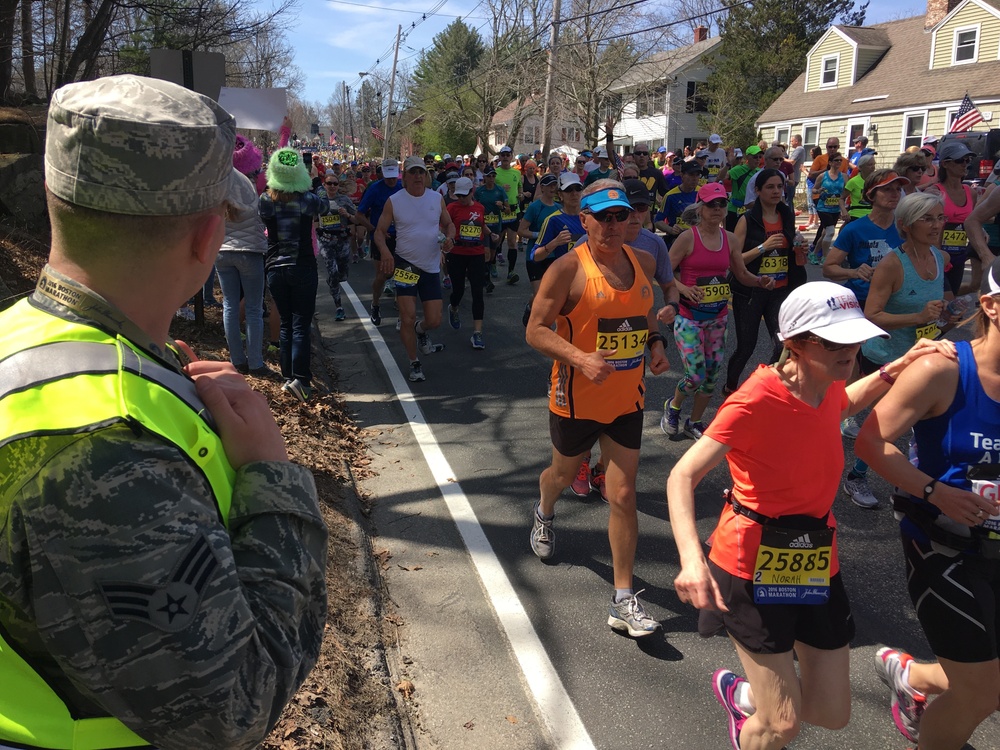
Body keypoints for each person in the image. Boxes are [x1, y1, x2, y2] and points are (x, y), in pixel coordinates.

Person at [0, 74, 327, 749]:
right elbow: (235, 706)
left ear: (53, 198)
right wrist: (273, 478)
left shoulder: (18, 339)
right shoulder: (105, 446)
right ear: (209, 237)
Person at [667, 281, 951, 750]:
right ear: (794, 344)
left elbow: (844, 403)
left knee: (831, 714)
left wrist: (895, 368)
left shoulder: (827, 383)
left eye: (855, 338)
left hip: (815, 556)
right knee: (782, 725)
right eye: (835, 342)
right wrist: (691, 560)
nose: (852, 350)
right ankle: (753, 722)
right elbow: (682, 474)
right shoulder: (753, 401)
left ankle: (746, 696)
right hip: (751, 562)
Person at [855, 256, 1000, 750]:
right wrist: (936, 491)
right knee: (983, 694)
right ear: (991, 306)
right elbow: (871, 443)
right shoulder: (944, 369)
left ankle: (913, 676)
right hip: (945, 546)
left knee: (987, 681)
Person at [526, 180, 669, 637]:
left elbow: (643, 312)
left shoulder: (642, 261)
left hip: (627, 398)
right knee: (563, 476)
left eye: (619, 216)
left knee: (623, 495)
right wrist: (580, 358)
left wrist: (656, 343)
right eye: (601, 217)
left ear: (631, 219)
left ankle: (623, 599)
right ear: (583, 219)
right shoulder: (567, 268)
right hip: (577, 399)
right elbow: (535, 329)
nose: (611, 225)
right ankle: (545, 509)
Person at [847, 192, 949, 512]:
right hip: (886, 356)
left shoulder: (939, 257)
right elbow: (872, 315)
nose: (937, 225)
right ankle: (857, 478)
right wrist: (917, 318)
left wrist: (946, 315)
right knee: (889, 427)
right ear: (906, 225)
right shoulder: (892, 264)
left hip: (924, 355)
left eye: (940, 217)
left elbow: (933, 306)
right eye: (928, 219)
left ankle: (912, 486)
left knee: (915, 425)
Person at [662, 182, 774, 438]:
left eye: (722, 203)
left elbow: (741, 273)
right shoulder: (688, 237)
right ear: (700, 208)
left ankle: (695, 421)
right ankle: (673, 405)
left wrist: (759, 281)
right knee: (695, 375)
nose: (717, 208)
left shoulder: (731, 239)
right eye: (711, 204)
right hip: (689, 317)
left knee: (711, 375)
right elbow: (665, 272)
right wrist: (684, 289)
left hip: (718, 319)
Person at [374, 155, 456, 383]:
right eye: (413, 172)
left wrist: (450, 238)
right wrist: (386, 253)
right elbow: (379, 232)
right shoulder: (395, 200)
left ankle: (421, 331)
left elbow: (449, 224)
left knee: (434, 320)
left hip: (430, 265)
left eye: (421, 172)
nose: (418, 176)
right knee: (407, 317)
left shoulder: (435, 198)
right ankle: (414, 362)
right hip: (405, 264)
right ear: (405, 177)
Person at [723, 168, 805, 394]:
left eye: (779, 186)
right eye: (770, 187)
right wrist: (763, 247)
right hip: (751, 290)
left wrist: (800, 250)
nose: (776, 191)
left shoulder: (787, 215)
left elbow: (790, 251)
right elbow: (735, 259)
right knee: (746, 348)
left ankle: (763, 388)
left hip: (780, 291)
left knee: (783, 346)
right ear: (757, 191)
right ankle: (730, 388)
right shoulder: (747, 219)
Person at [260, 145, 330, 402]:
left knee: (287, 323)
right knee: (302, 323)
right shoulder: (306, 199)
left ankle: (288, 376)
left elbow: (262, 219)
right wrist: (315, 182)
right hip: (301, 265)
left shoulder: (265, 200)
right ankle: (301, 380)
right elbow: (324, 206)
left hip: (274, 267)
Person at [218, 134, 271, 376]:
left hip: (223, 251)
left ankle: (236, 359)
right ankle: (256, 362)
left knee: (229, 305)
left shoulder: (219, 187)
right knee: (253, 309)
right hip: (250, 253)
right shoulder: (256, 188)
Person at [925, 140, 983, 294]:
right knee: (944, 298)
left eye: (967, 160)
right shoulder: (934, 192)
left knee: (953, 297)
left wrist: (982, 233)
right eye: (959, 161)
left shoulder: (970, 192)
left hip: (959, 255)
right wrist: (935, 255)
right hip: (936, 254)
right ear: (945, 164)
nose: (964, 164)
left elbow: (973, 222)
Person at [357, 158, 403, 326]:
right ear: (382, 173)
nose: (391, 180)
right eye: (388, 176)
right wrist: (374, 230)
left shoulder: (401, 187)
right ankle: (375, 304)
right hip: (381, 237)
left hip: (400, 236)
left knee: (402, 272)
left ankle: (401, 304)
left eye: (394, 177)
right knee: (383, 275)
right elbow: (359, 214)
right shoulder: (374, 189)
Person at [445, 177, 489, 349]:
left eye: (464, 195)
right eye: (459, 195)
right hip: (457, 253)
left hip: (476, 253)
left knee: (478, 292)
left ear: (472, 192)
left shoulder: (480, 208)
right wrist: (445, 242)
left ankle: (477, 333)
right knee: (458, 290)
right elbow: (444, 227)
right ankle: (453, 307)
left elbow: (481, 226)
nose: (461, 199)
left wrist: (489, 238)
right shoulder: (451, 208)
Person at [317, 173, 358, 322]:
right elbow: (313, 220)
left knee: (342, 275)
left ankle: (335, 280)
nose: (332, 186)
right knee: (332, 272)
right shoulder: (319, 201)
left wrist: (347, 214)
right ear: (324, 185)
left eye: (335, 184)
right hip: (326, 241)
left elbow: (356, 218)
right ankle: (339, 307)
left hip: (342, 240)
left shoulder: (344, 200)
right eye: (329, 184)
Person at [809, 152, 847, 265]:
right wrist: (818, 191)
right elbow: (814, 190)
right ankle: (825, 257)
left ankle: (814, 254)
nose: (839, 162)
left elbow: (846, 193)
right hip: (823, 208)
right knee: (830, 232)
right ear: (830, 162)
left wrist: (844, 207)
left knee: (825, 233)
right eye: (836, 160)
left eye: (840, 160)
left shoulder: (844, 176)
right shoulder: (823, 176)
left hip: (835, 209)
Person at [656, 160, 702, 247]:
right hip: (677, 239)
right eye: (691, 175)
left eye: (697, 175)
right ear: (682, 175)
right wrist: (670, 229)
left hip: (699, 238)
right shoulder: (670, 196)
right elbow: (658, 221)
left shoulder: (702, 193)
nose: (695, 178)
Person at [724, 146, 762, 231]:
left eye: (760, 157)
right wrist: (728, 164)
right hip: (735, 210)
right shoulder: (739, 169)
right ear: (748, 157)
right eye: (755, 157)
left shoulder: (760, 172)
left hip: (751, 211)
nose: (758, 159)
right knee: (731, 238)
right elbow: (722, 177)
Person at [841, 153, 877, 223]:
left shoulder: (877, 181)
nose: (873, 167)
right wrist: (844, 211)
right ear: (861, 167)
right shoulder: (853, 181)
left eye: (874, 164)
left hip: (873, 215)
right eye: (870, 165)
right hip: (856, 215)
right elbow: (841, 198)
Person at [787, 134, 806, 208]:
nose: (791, 143)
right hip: (795, 178)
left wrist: (781, 158)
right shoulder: (801, 149)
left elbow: (792, 162)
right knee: (789, 199)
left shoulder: (799, 149)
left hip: (793, 178)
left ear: (796, 141)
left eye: (792, 141)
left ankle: (789, 217)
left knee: (788, 199)